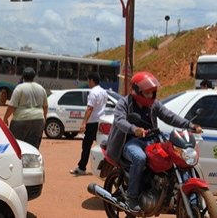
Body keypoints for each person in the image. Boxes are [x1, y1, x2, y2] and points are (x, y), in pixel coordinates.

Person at [106, 71, 202, 212]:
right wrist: (134, 129)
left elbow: (169, 116)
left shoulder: (154, 104)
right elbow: (119, 121)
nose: (151, 96)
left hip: (152, 140)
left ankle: (185, 198)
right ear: (137, 91)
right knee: (140, 158)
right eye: (147, 93)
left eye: (152, 92)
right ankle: (132, 197)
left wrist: (189, 125)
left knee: (176, 155)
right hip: (130, 142)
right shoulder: (124, 103)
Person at [70, 72, 108, 176]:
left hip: (92, 122)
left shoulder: (93, 92)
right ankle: (106, 168)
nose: (88, 83)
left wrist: (84, 123)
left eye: (88, 80)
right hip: (101, 121)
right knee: (102, 145)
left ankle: (82, 168)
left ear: (91, 80)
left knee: (86, 145)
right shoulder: (104, 92)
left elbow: (90, 108)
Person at [3, 67, 48, 149]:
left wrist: (5, 118)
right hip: (38, 120)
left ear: (23, 76)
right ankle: (32, 162)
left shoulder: (19, 88)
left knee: (16, 146)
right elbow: (45, 106)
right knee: (33, 147)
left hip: (21, 120)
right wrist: (44, 118)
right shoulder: (41, 88)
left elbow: (12, 106)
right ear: (34, 76)